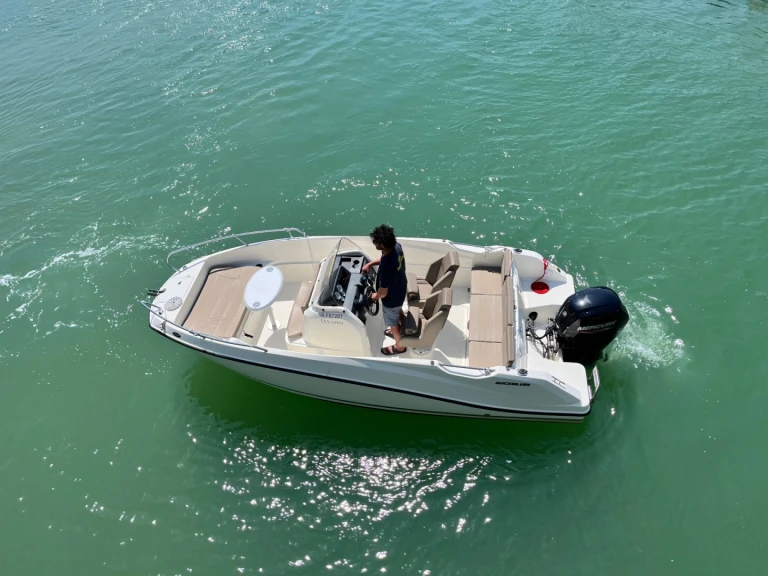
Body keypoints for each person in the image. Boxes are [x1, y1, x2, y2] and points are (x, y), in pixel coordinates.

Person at [363, 224, 407, 356]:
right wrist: (370, 264)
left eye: (375, 241)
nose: (374, 243)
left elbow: (383, 293)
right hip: (401, 287)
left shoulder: (386, 268)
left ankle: (400, 346)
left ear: (381, 245)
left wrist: (373, 297)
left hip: (392, 298)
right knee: (397, 312)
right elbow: (384, 259)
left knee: (392, 322)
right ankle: (403, 328)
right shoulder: (396, 247)